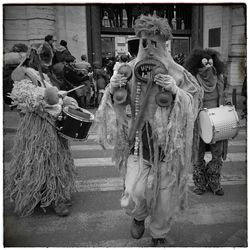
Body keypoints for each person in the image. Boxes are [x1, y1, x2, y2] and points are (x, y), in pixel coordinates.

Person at [95, 15, 202, 246]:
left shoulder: (178, 73)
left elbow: (194, 101)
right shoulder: (127, 69)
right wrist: (112, 91)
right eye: (145, 42)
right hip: (138, 145)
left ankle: (159, 232)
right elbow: (115, 105)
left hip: (169, 147)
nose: (149, 48)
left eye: (155, 42)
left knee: (164, 197)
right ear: (139, 42)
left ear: (164, 44)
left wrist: (176, 91)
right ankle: (138, 215)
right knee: (134, 191)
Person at [6, 54, 79, 217]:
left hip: (50, 124)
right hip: (36, 127)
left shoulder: (41, 76)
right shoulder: (21, 79)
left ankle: (55, 195)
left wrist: (62, 98)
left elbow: (51, 94)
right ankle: (40, 194)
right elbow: (27, 98)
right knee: (37, 161)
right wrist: (49, 95)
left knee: (54, 160)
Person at [184, 48, 227, 196]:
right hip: (198, 121)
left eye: (211, 63)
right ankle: (200, 183)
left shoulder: (219, 77)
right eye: (205, 63)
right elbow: (187, 98)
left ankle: (214, 181)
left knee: (217, 153)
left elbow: (224, 96)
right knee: (198, 152)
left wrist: (226, 105)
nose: (209, 67)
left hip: (217, 120)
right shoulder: (193, 78)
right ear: (199, 64)